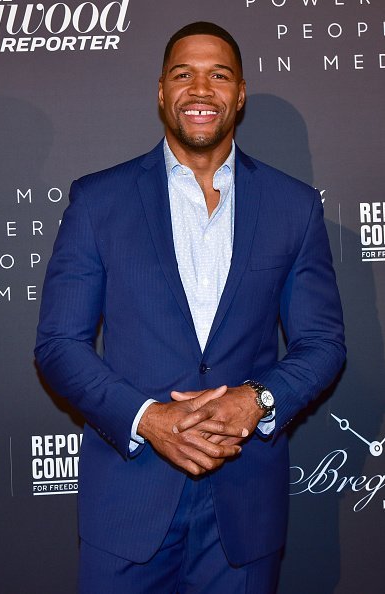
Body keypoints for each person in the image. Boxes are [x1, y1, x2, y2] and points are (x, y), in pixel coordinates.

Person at [35, 21, 345, 594]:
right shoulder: (99, 201)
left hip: (244, 505)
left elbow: (322, 343)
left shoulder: (293, 207)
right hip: (128, 502)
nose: (200, 89)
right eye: (184, 74)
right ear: (161, 91)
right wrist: (148, 420)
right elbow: (59, 345)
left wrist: (259, 398)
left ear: (240, 93)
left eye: (218, 75)